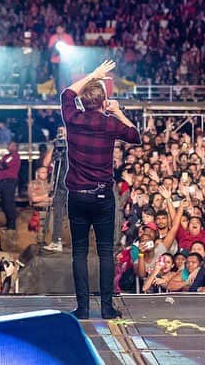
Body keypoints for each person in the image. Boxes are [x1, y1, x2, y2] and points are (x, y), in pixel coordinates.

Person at [61, 60, 141, 319]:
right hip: (102, 196)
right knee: (106, 252)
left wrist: (93, 74)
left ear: (84, 102)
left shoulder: (74, 118)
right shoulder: (109, 123)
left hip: (78, 197)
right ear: (104, 101)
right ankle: (107, 308)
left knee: (80, 253)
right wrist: (116, 111)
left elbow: (67, 94)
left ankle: (83, 309)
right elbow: (135, 135)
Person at [0, 142, 21, 232]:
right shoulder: (6, 156)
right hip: (3, 181)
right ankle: (8, 223)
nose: (9, 147)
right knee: (4, 203)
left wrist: (1, 164)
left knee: (9, 203)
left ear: (16, 147)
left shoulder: (15, 156)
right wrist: (0, 164)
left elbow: (3, 165)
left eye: (12, 145)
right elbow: (0, 165)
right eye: (9, 145)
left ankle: (12, 225)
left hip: (9, 181)